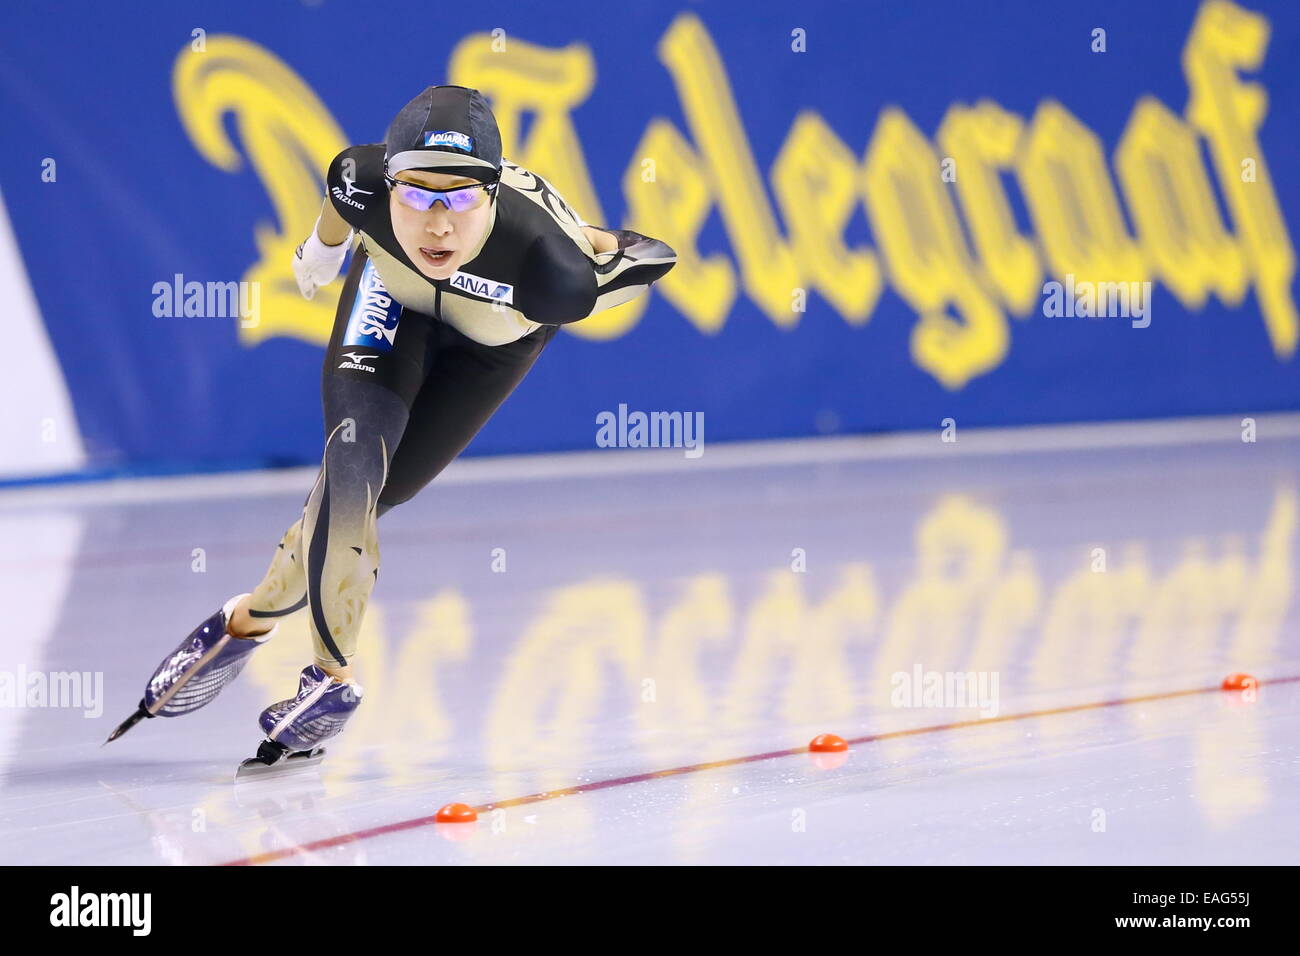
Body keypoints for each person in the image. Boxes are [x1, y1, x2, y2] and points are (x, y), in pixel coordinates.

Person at [108, 85, 677, 768]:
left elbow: (653, 256)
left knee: (371, 500)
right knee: (352, 477)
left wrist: (598, 242)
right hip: (389, 307)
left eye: (462, 199)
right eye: (416, 194)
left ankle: (246, 620)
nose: (437, 224)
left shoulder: (551, 269)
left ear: (493, 196)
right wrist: (321, 254)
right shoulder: (362, 179)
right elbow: (339, 199)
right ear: (390, 181)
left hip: (491, 347)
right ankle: (330, 682)